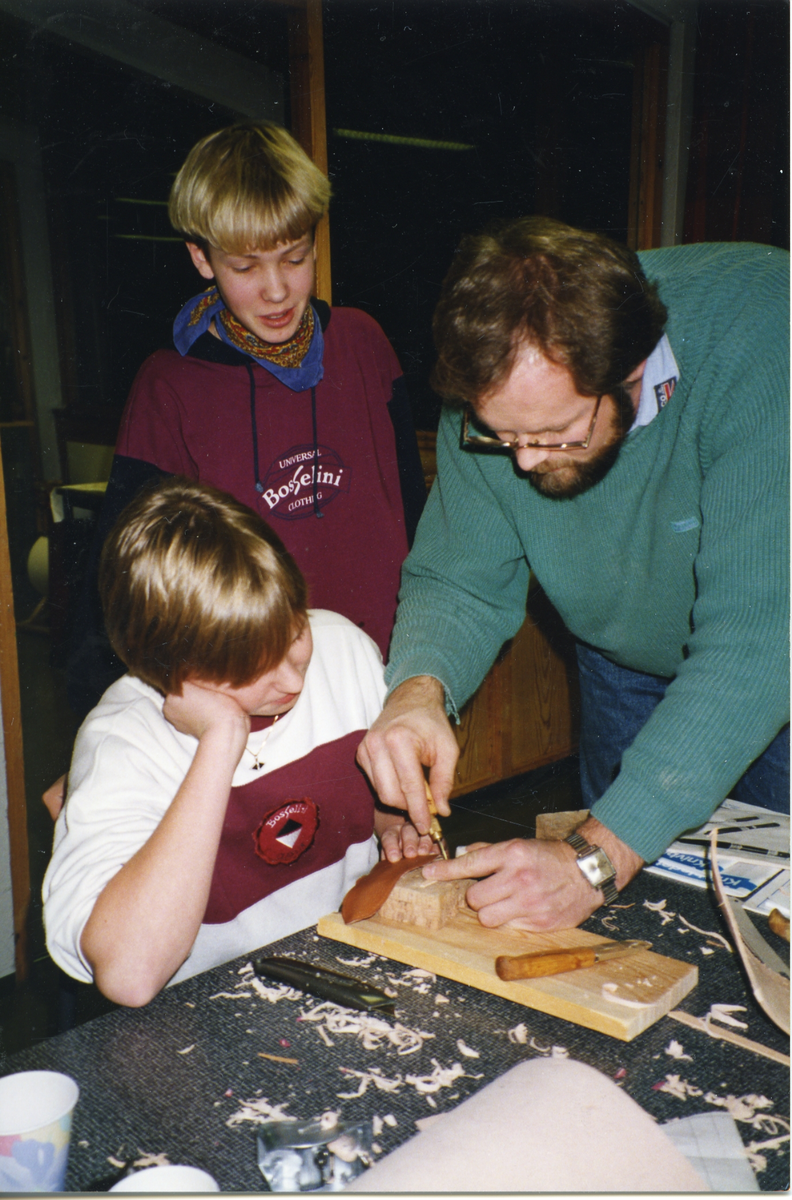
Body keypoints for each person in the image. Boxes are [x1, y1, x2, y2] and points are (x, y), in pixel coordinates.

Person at [357, 217, 789, 932]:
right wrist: (417, 690)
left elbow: (757, 644)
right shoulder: (495, 388)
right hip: (625, 654)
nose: (522, 463)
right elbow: (460, 577)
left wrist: (593, 857)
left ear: (633, 372)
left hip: (772, 663)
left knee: (771, 919)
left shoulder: (764, 338)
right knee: (636, 919)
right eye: (501, 436)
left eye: (553, 434)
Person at [66, 120, 424, 721]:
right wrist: (91, 720)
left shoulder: (364, 343)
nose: (278, 291)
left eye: (295, 257)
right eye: (246, 267)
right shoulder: (168, 386)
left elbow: (414, 512)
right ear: (201, 258)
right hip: (254, 687)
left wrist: (420, 667)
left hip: (379, 674)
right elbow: (126, 575)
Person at [44, 479, 432, 1007]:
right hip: (213, 1013)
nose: (294, 681)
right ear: (173, 673)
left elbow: (373, 804)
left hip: (345, 974)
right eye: (252, 668)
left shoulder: (342, 649)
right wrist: (221, 739)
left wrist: (393, 820)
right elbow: (131, 979)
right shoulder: (123, 741)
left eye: (294, 632)